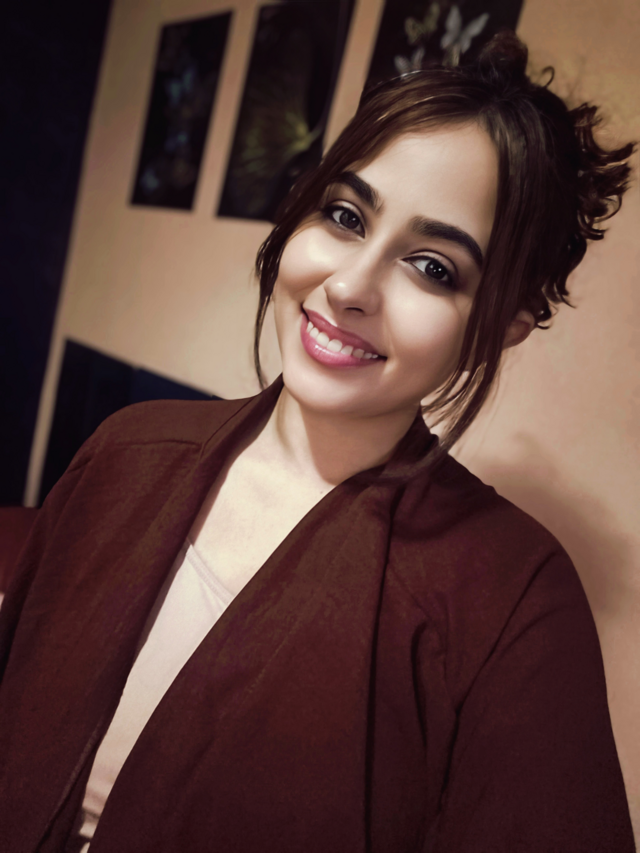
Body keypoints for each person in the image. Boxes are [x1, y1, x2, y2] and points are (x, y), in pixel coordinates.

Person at [0, 32, 636, 853]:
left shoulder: (515, 601)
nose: (350, 285)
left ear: (503, 325)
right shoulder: (129, 448)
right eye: (345, 216)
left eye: (434, 267)